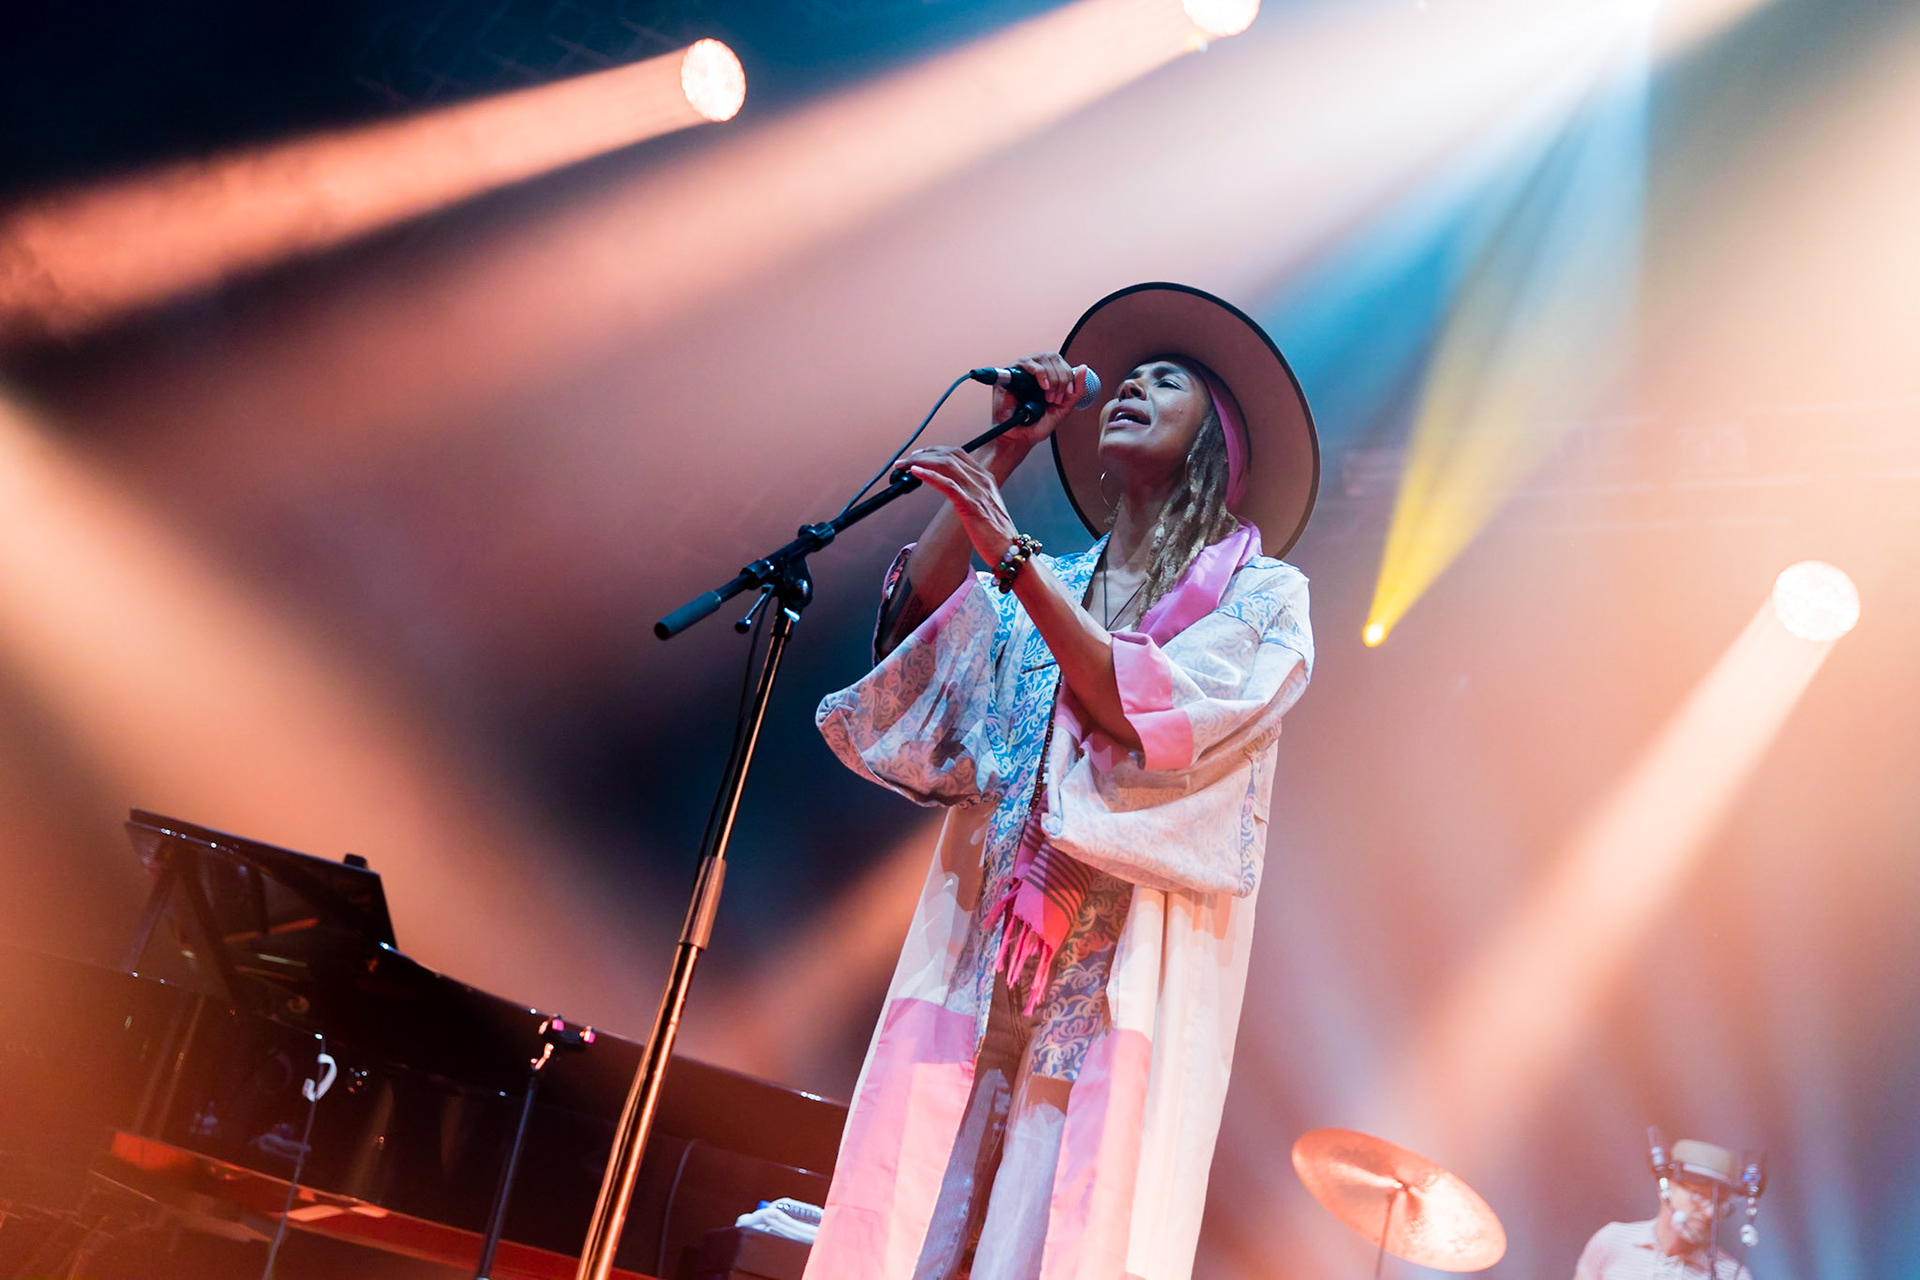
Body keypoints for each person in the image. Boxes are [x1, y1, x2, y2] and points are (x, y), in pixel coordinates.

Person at [804, 284, 1320, 1280]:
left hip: (1105, 987)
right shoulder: (1051, 579)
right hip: (979, 974)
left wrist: (1015, 557)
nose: (1132, 385)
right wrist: (1004, 454)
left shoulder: (1263, 600)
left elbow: (1146, 711)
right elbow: (920, 632)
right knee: (913, 1236)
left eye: (1168, 382)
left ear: (1217, 445)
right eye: (1128, 376)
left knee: (1053, 1239)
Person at [1574, 1139, 1755, 1280]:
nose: (1709, 1213)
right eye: (1698, 1196)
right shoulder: (1612, 1241)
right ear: (1665, 1188)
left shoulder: (1732, 1274)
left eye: (1719, 1203)